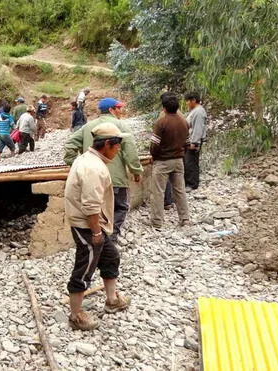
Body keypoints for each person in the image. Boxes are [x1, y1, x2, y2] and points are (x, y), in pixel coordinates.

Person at [65, 123, 132, 331]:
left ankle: (111, 299)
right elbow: (91, 205)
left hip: (95, 223)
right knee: (85, 266)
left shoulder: (90, 159)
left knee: (110, 256)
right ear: (107, 145)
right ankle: (76, 315)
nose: (119, 150)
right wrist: (95, 232)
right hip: (87, 224)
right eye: (117, 145)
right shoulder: (92, 167)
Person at [64, 98, 143, 239]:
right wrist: (136, 171)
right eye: (119, 108)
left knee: (98, 210)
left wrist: (74, 163)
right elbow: (130, 152)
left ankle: (102, 237)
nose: (121, 111)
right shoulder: (121, 127)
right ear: (112, 110)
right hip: (116, 179)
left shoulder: (88, 127)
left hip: (91, 179)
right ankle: (110, 238)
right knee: (120, 207)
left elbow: (70, 144)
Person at [149, 93, 190, 229]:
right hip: (179, 160)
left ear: (164, 108)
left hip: (162, 161)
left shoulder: (161, 122)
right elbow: (187, 142)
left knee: (158, 192)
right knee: (180, 190)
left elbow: (154, 144)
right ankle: (184, 219)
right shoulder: (184, 121)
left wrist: (153, 156)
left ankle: (157, 221)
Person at [184, 92, 207, 191]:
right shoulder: (195, 111)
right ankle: (190, 182)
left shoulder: (198, 112)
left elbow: (198, 128)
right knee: (189, 161)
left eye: (188, 101)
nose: (187, 103)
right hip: (191, 140)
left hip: (194, 141)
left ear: (193, 100)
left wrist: (195, 142)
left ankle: (192, 183)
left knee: (190, 162)